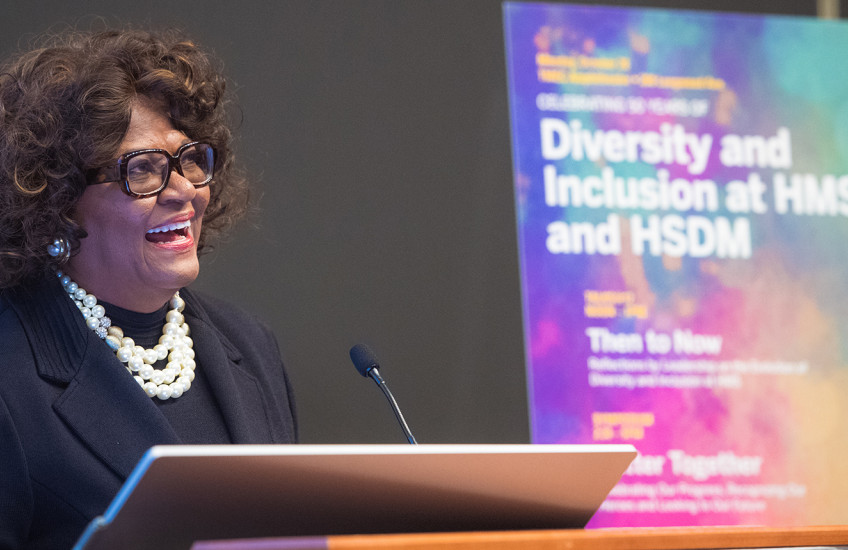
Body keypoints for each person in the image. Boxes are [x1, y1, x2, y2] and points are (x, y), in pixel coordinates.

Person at [0, 28, 298, 550]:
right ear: (58, 197)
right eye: (142, 170)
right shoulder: (11, 377)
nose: (184, 191)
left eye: (189, 160)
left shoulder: (249, 346)